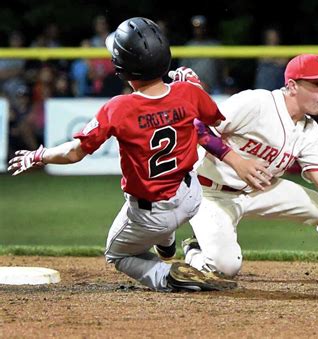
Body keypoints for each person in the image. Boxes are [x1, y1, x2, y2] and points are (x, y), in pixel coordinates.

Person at [7, 17, 235, 292]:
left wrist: (38, 155)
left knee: (117, 254)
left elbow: (74, 153)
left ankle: (166, 275)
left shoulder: (118, 108)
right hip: (191, 198)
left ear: (122, 68)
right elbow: (215, 122)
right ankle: (166, 242)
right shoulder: (187, 92)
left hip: (151, 214)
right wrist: (196, 88)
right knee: (171, 197)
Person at [181, 54, 318, 280]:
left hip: (261, 190)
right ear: (293, 86)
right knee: (225, 268)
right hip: (210, 192)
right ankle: (195, 251)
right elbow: (197, 126)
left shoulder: (309, 130)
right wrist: (238, 161)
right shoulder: (257, 103)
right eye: (316, 84)